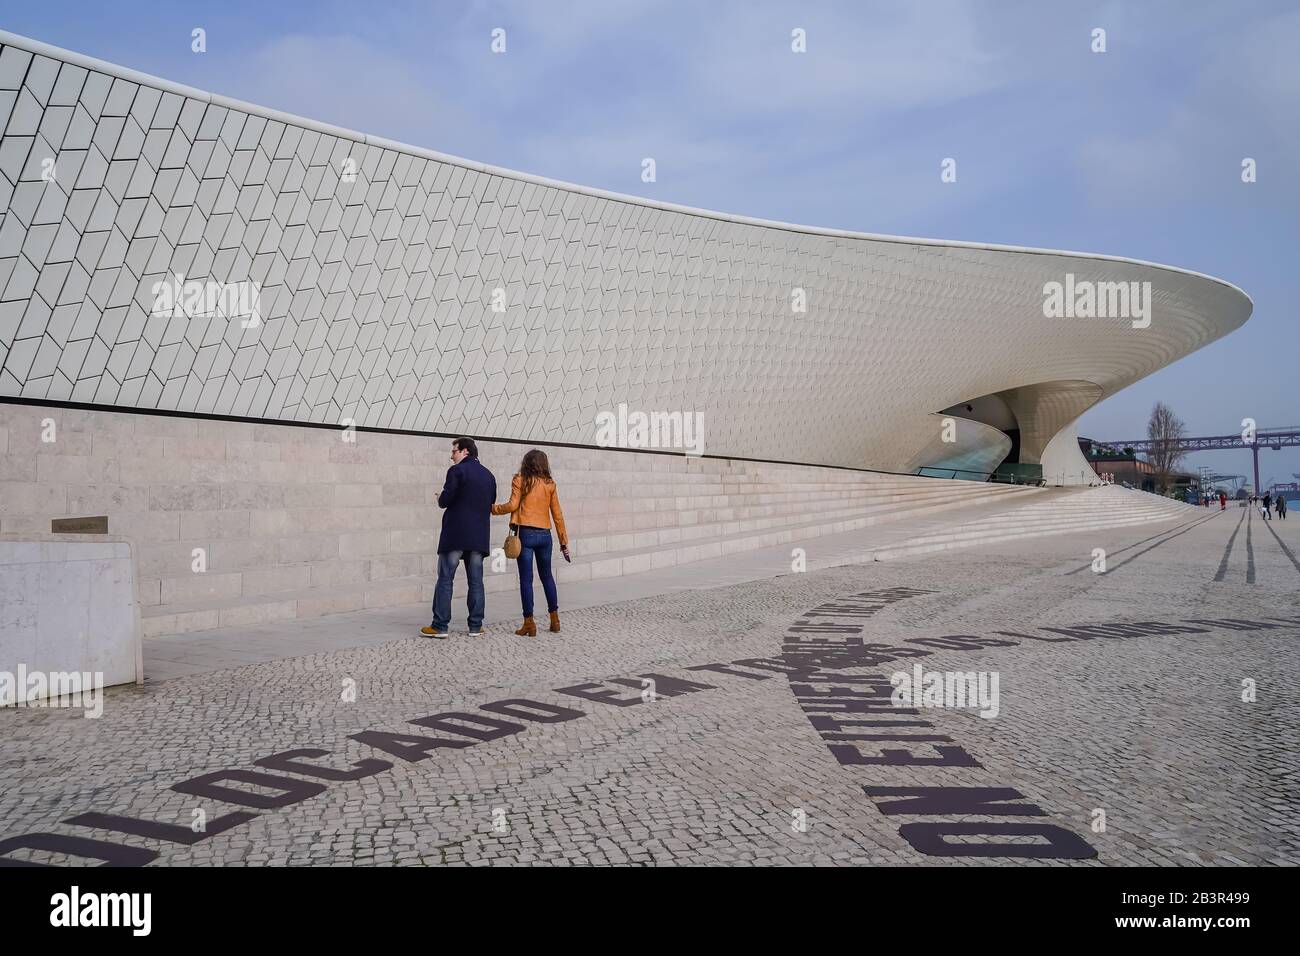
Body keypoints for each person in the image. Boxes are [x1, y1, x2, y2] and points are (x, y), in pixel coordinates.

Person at [422, 437, 496, 639]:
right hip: (478, 537)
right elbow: (490, 502)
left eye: (454, 451)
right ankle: (475, 626)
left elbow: (446, 500)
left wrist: (439, 498)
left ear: (465, 451)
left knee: (445, 579)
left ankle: (440, 626)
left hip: (455, 534)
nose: (451, 455)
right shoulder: (489, 476)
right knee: (476, 582)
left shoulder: (457, 471)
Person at [491, 449, 570, 636]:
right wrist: (563, 542)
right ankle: (555, 620)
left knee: (526, 580)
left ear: (526, 462)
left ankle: (529, 623)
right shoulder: (550, 484)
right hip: (545, 535)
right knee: (547, 577)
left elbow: (512, 505)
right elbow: (557, 514)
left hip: (525, 534)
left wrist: (493, 509)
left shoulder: (520, 480)